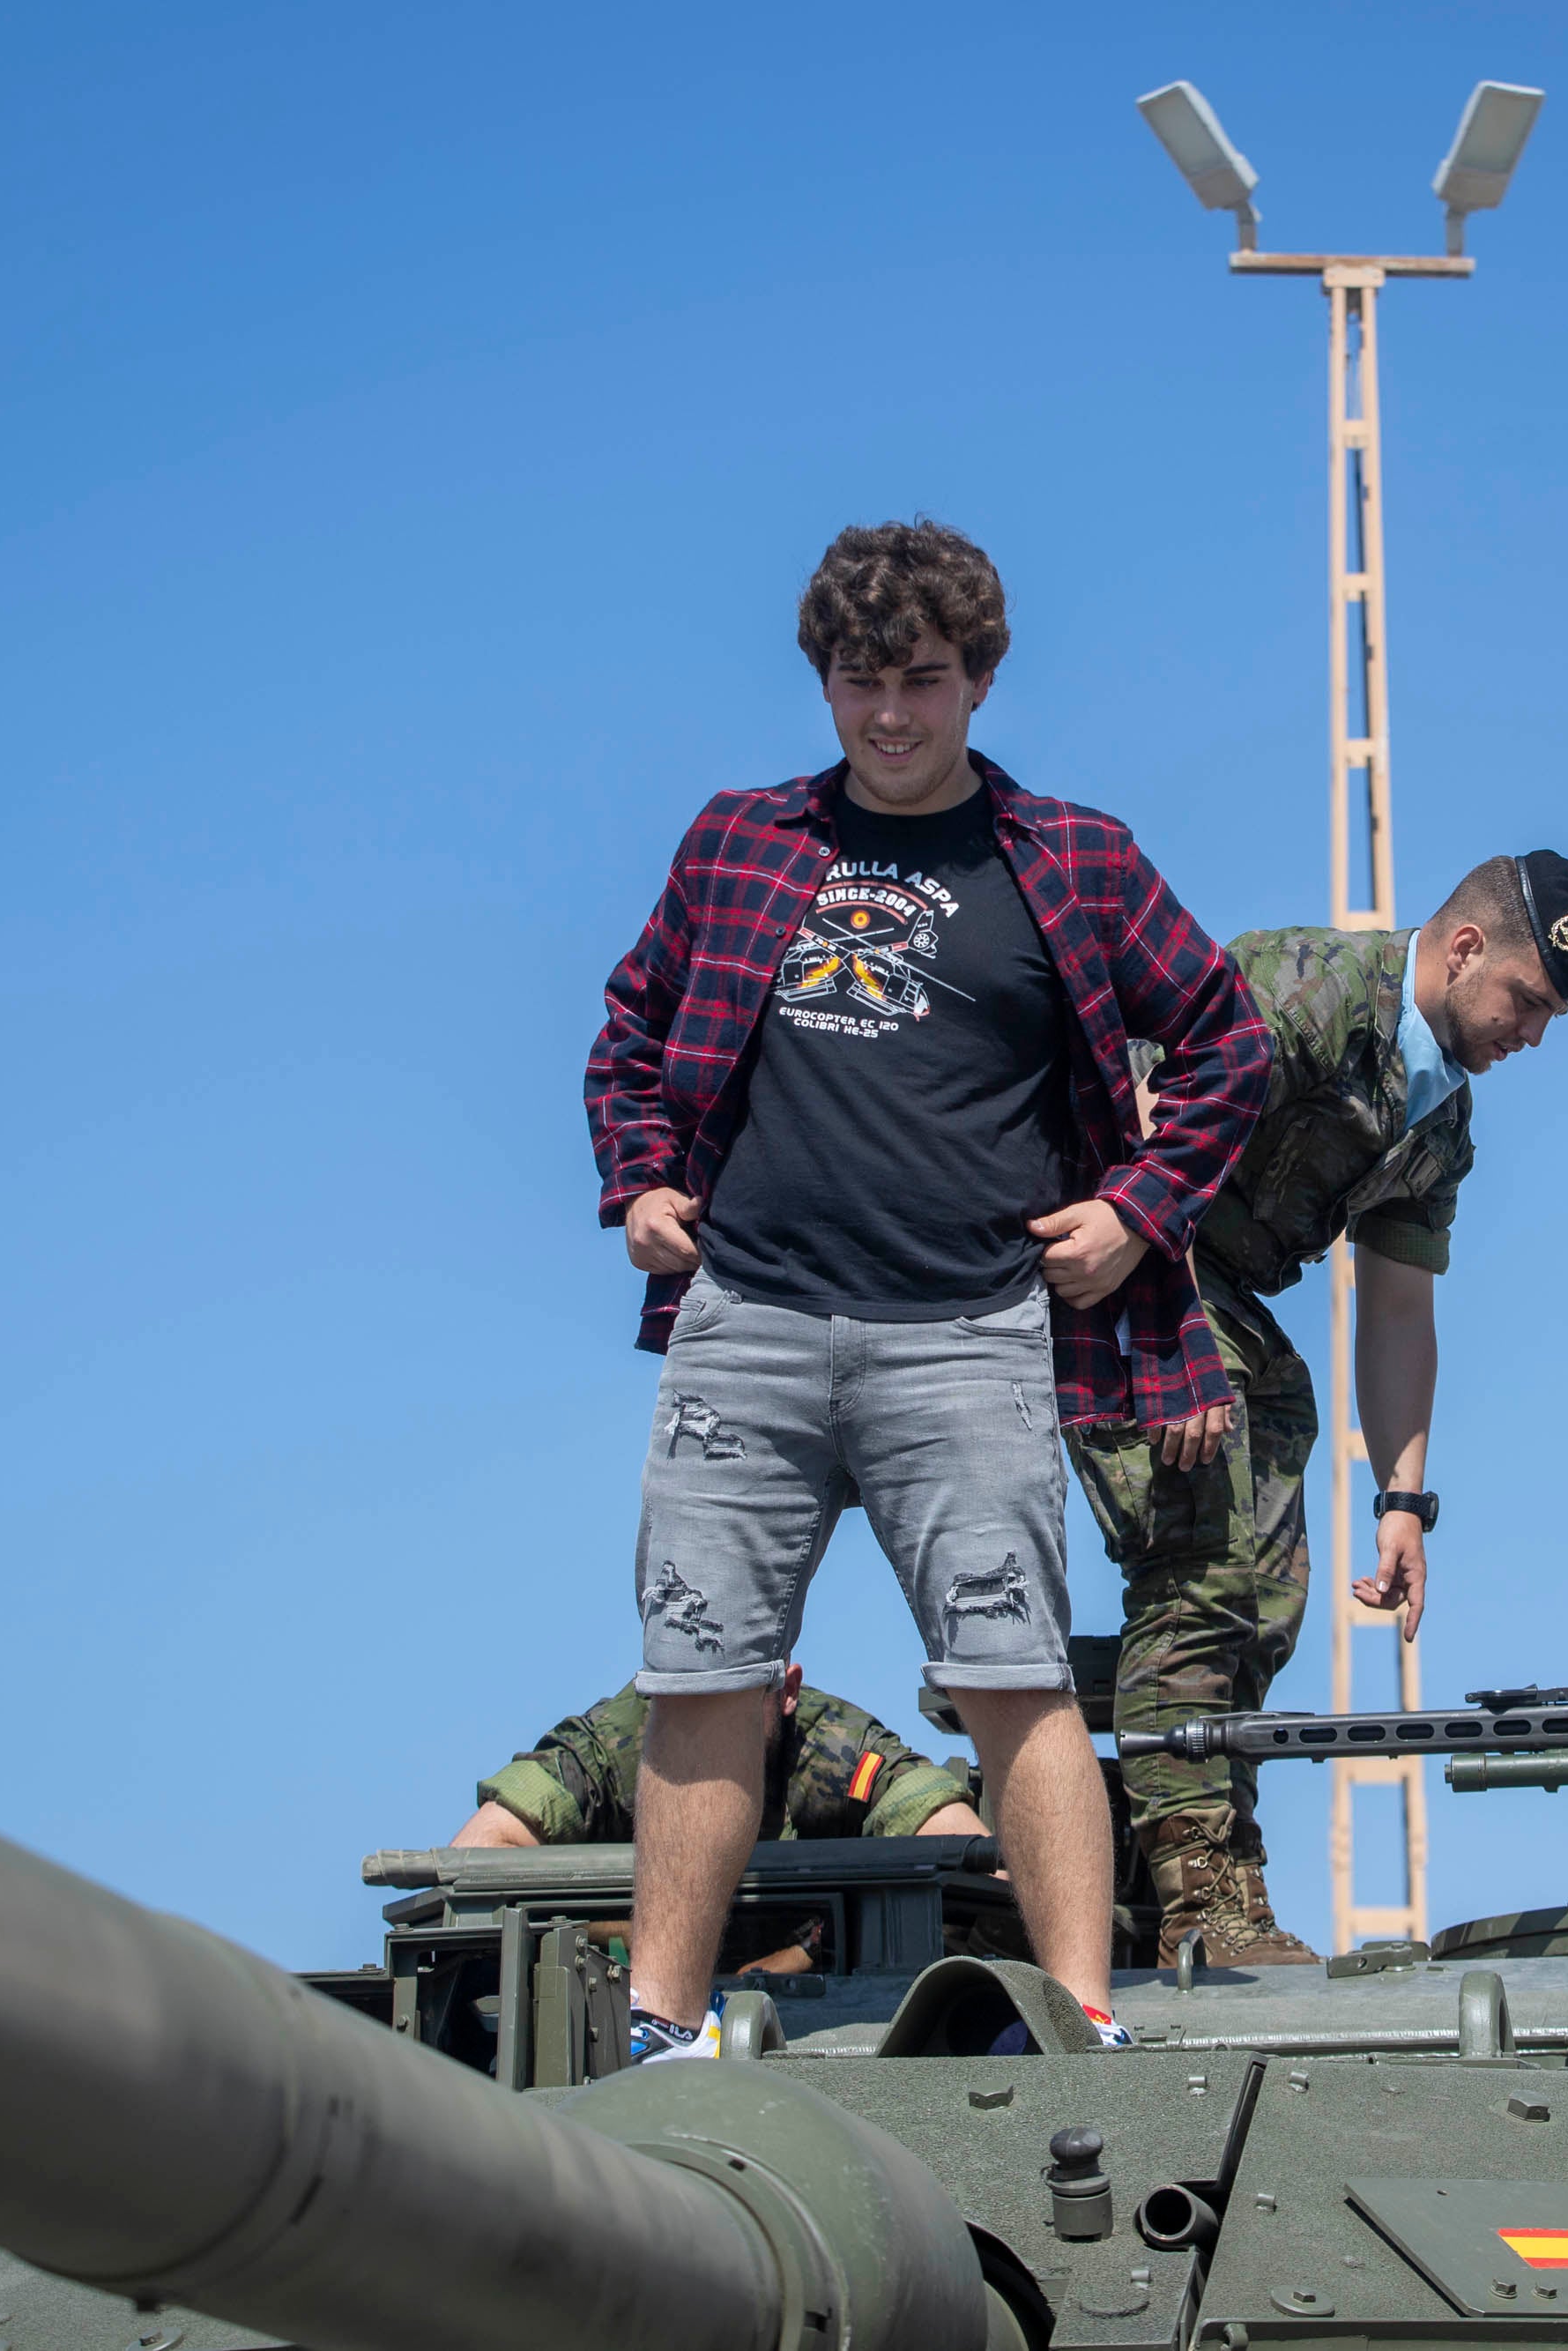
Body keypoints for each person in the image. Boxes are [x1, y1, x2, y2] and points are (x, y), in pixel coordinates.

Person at [583, 518, 1267, 2059]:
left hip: (966, 1335)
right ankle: (656, 2029)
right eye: (858, 679)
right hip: (744, 1325)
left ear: (980, 680)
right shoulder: (741, 839)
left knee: (1011, 1673)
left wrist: (1138, 1212)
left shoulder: (1075, 860)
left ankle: (1082, 2011)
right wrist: (636, 1182)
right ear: (821, 681)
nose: (889, 713)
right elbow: (630, 1026)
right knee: (701, 1675)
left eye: (922, 679)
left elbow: (1233, 1041)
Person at [1077, 855, 1568, 1963]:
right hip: (1116, 1265)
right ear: (1463, 951)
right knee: (1206, 1564)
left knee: (1267, 1583)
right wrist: (1168, 1341)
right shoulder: (1307, 992)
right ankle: (1199, 1908)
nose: (1534, 1038)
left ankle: (1190, 1866)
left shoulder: (1439, 1125)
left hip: (1213, 1291)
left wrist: (1403, 1501)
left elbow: (1398, 1309)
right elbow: (1126, 1140)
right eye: (1528, 1003)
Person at [449, 1663, 985, 1849]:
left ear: (787, 1690)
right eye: (700, 1684)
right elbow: (478, 1853)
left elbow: (958, 1840)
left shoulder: (830, 1747)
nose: (716, 1718)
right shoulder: (614, 1748)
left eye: (741, 1685)